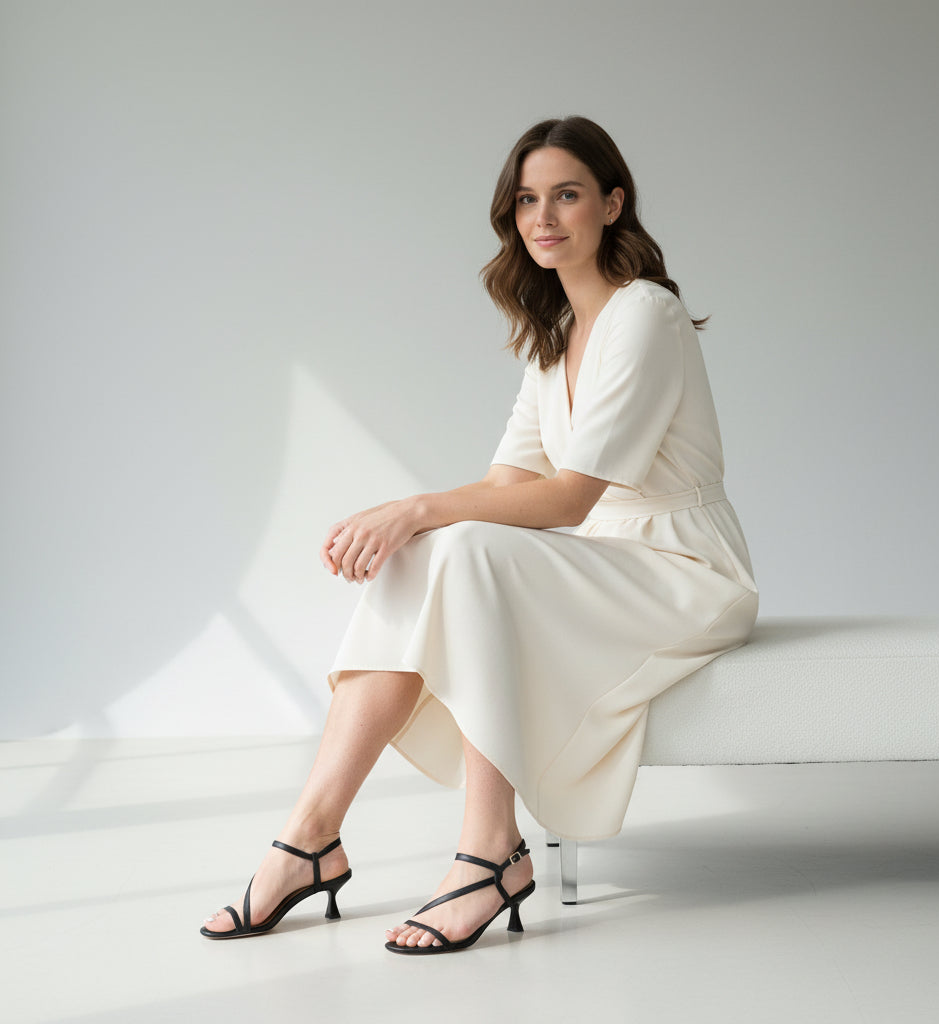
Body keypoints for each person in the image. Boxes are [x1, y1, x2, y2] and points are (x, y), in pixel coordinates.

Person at [200, 115, 757, 953]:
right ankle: (311, 834)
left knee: (453, 541)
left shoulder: (646, 314)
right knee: (433, 550)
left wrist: (418, 508)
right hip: (607, 561)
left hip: (684, 571)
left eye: (566, 195)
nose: (544, 217)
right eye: (527, 200)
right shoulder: (556, 333)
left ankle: (488, 850)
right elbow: (508, 486)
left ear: (612, 204)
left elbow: (570, 497)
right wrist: (411, 522)